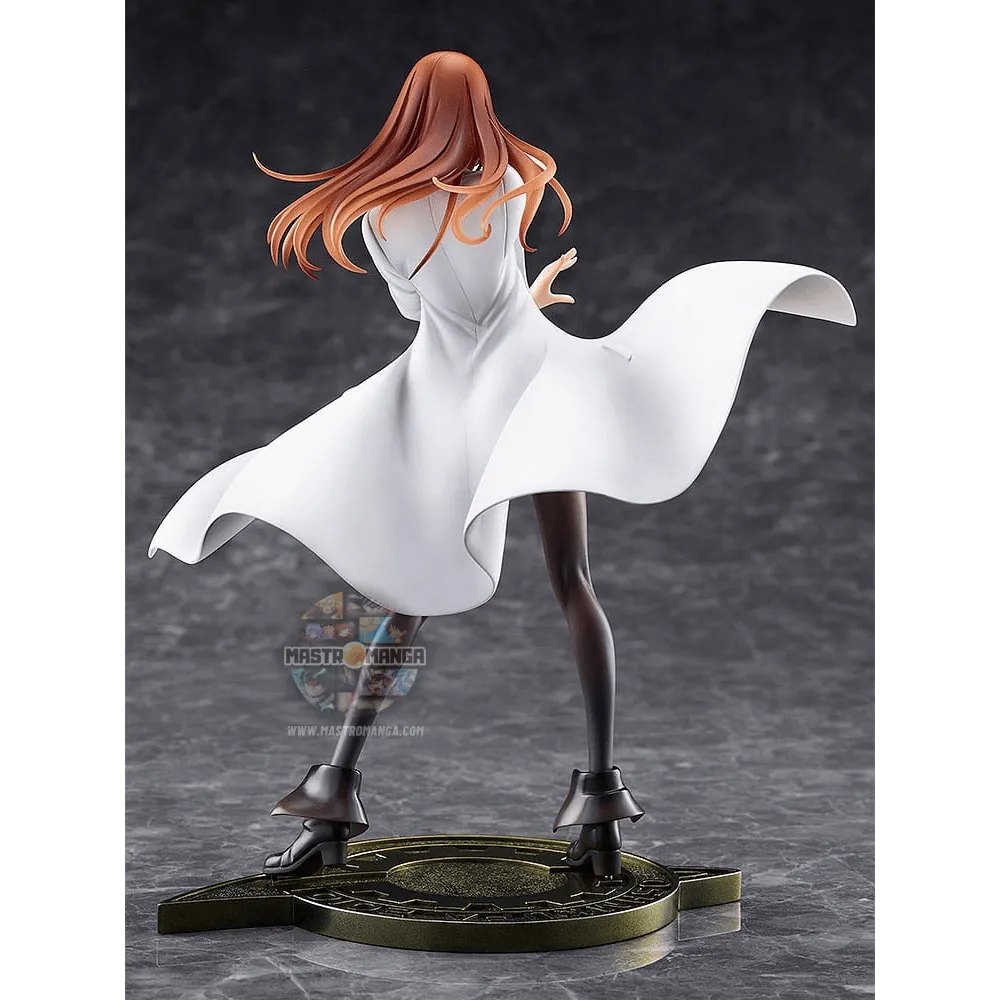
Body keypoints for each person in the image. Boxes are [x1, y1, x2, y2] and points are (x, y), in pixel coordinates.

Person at [149, 51, 855, 876]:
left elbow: (421, 307)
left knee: (407, 596)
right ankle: (600, 814)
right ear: (478, 110)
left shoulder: (380, 214)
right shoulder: (510, 180)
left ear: (410, 113)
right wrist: (528, 300)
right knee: (572, 580)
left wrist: (505, 303)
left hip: (450, 398)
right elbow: (500, 301)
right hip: (535, 388)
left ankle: (331, 806)